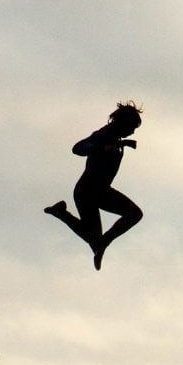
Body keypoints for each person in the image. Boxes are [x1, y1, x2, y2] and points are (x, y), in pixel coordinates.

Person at [44, 101, 143, 270]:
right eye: (132, 127)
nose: (133, 131)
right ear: (123, 123)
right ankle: (99, 240)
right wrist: (102, 148)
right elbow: (78, 148)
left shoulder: (115, 138)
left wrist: (124, 144)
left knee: (98, 236)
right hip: (87, 192)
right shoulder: (104, 134)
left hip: (101, 191)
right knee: (132, 215)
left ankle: (62, 213)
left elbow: (112, 146)